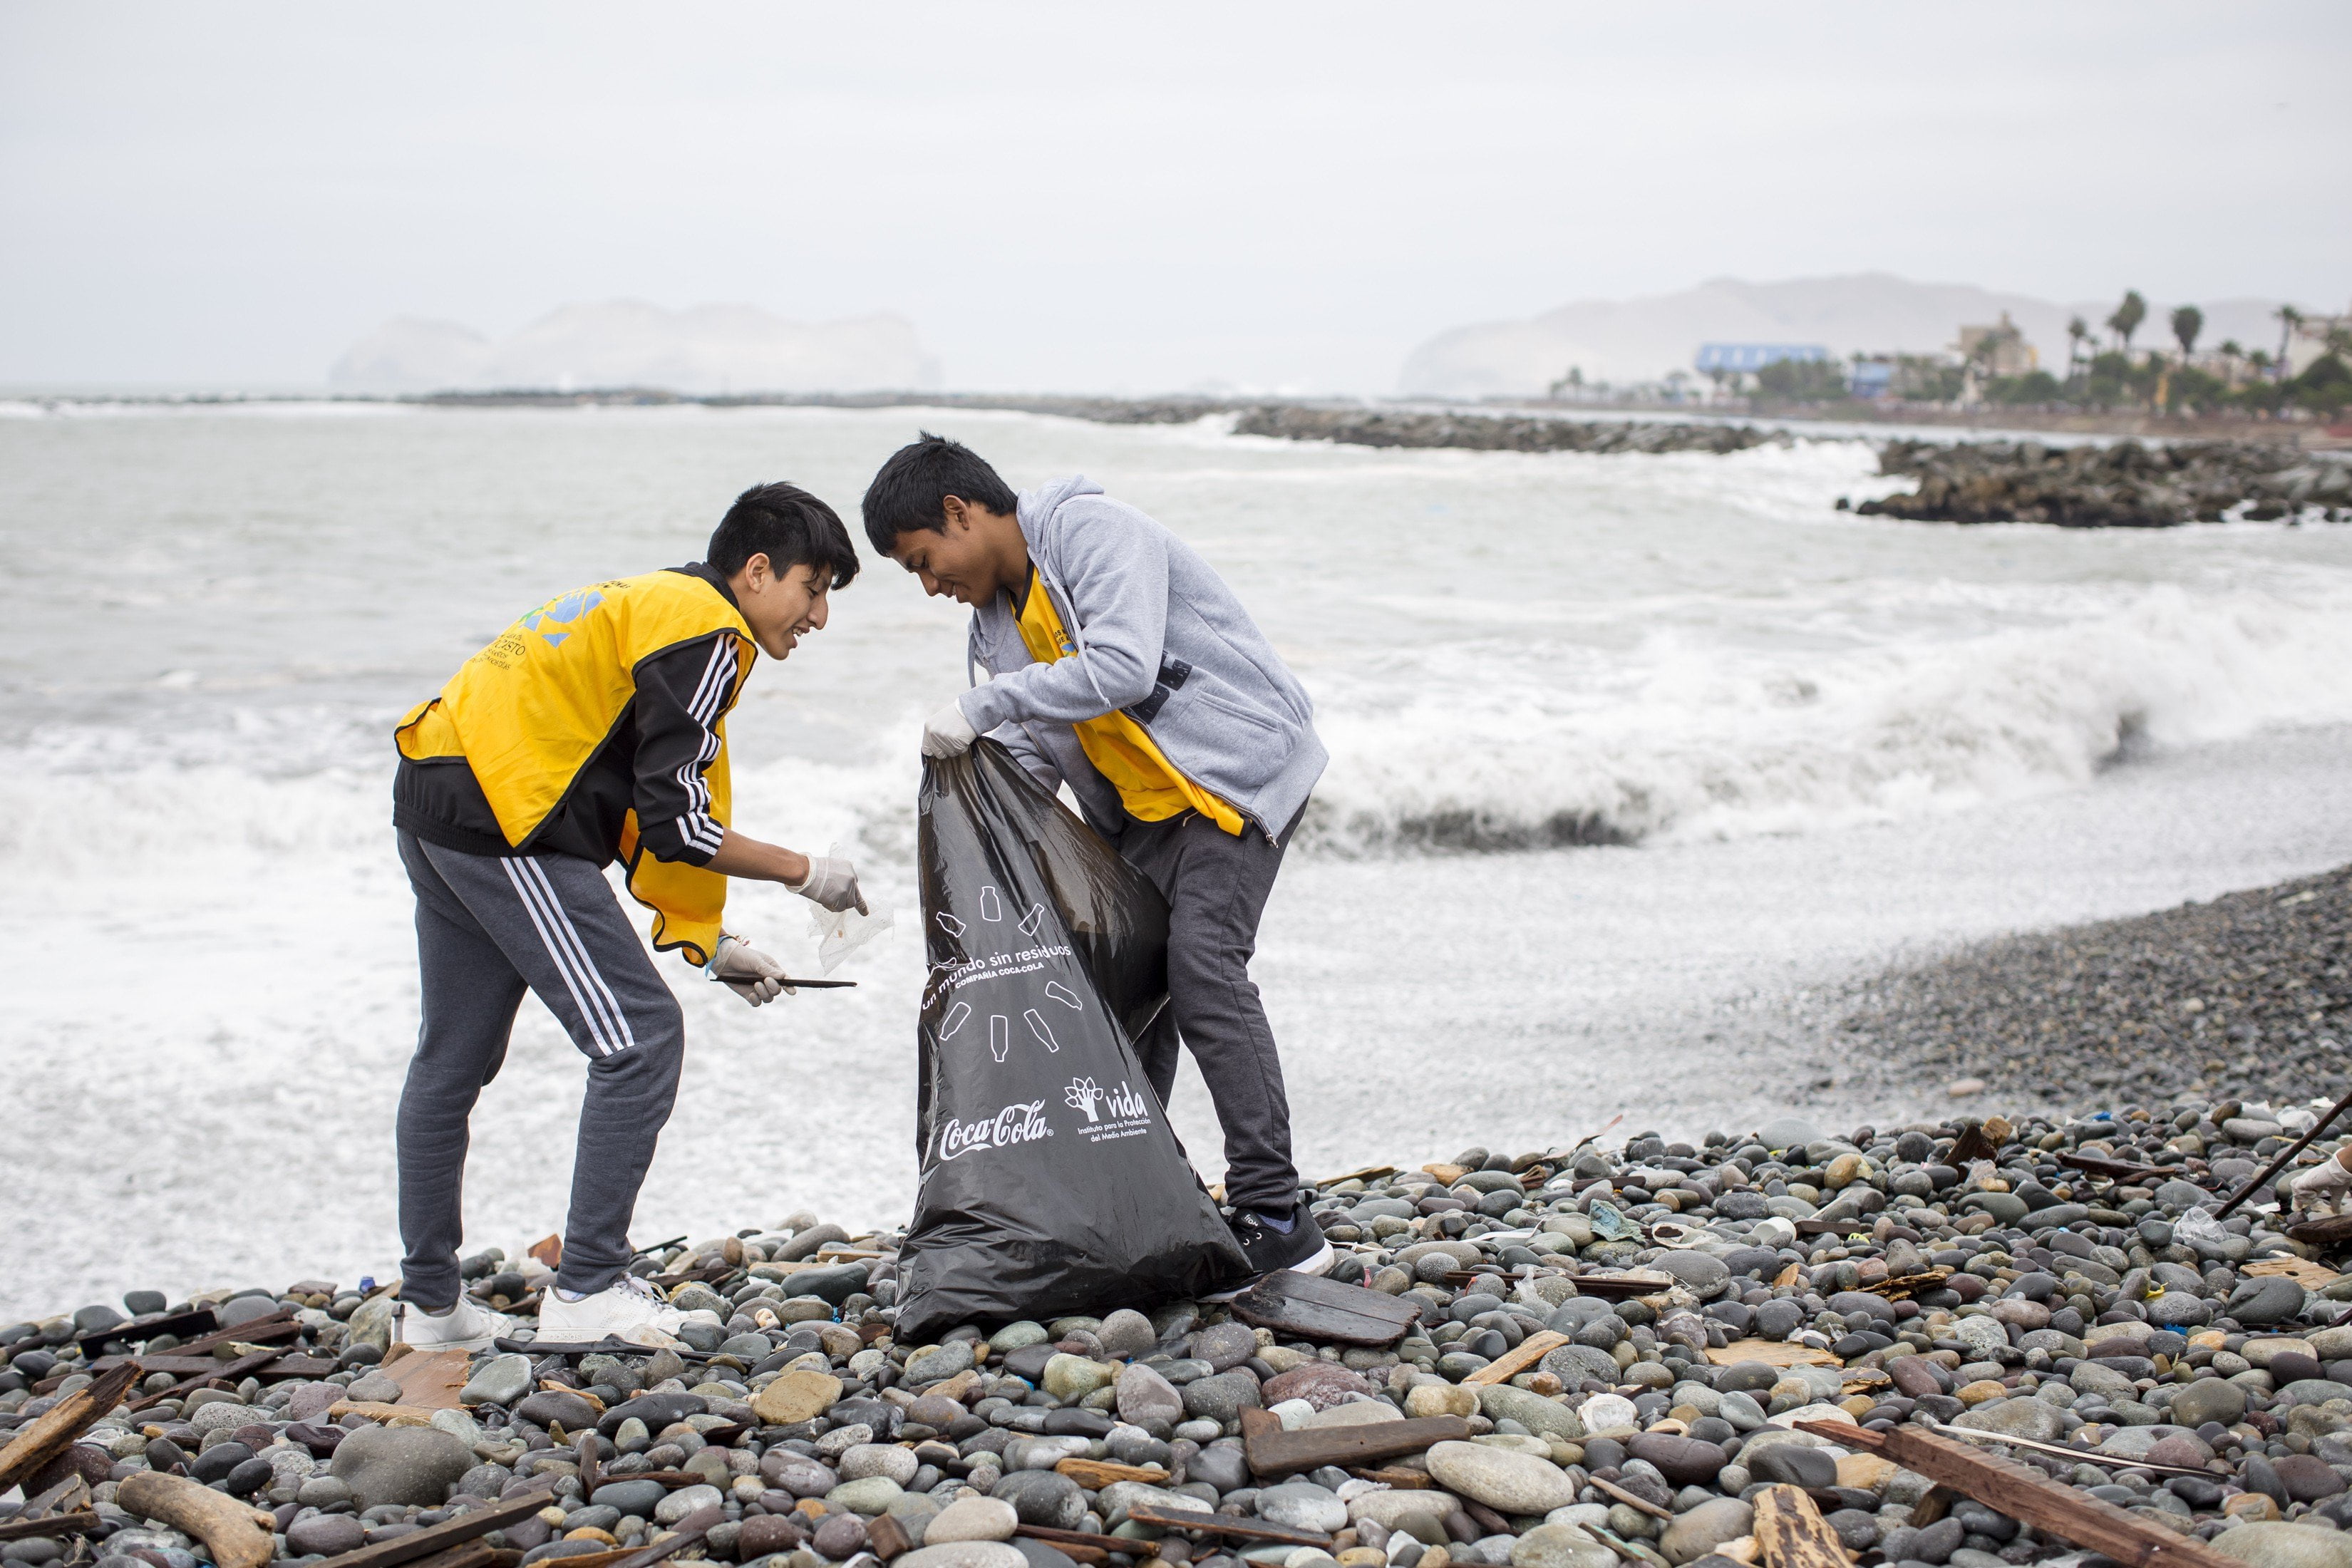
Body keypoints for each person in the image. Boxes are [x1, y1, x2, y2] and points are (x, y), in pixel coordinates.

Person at [388, 482, 868, 1349]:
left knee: (449, 1060)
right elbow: (681, 823)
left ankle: (429, 1309)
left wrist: (712, 944)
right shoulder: (708, 630)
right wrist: (808, 873)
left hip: (438, 797)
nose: (820, 615)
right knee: (640, 1038)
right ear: (757, 572)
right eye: (814, 586)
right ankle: (588, 1292)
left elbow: (626, 801)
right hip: (505, 825)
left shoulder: (648, 601)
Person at [862, 433, 1332, 1286]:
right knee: (1119, 996)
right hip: (1142, 814)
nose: (931, 585)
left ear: (960, 513)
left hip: (1235, 775)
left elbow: (1121, 664)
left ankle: (1277, 1214)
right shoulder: (992, 629)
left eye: (923, 561)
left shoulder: (1091, 532)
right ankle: (1140, 1193)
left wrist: (986, 701)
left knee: (1203, 973)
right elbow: (1035, 755)